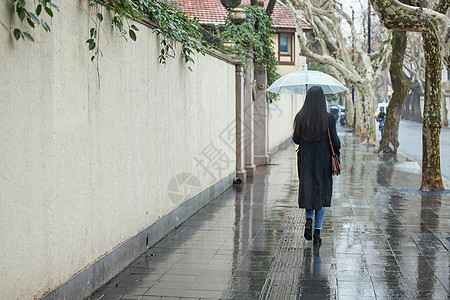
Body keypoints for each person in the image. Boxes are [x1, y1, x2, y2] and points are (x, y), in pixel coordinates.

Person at [293, 86, 341, 245]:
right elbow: (336, 142)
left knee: (308, 189)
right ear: (322, 100)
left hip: (306, 161)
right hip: (323, 162)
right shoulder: (329, 119)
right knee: (321, 193)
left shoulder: (300, 117)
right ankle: (317, 233)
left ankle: (308, 220)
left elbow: (296, 140)